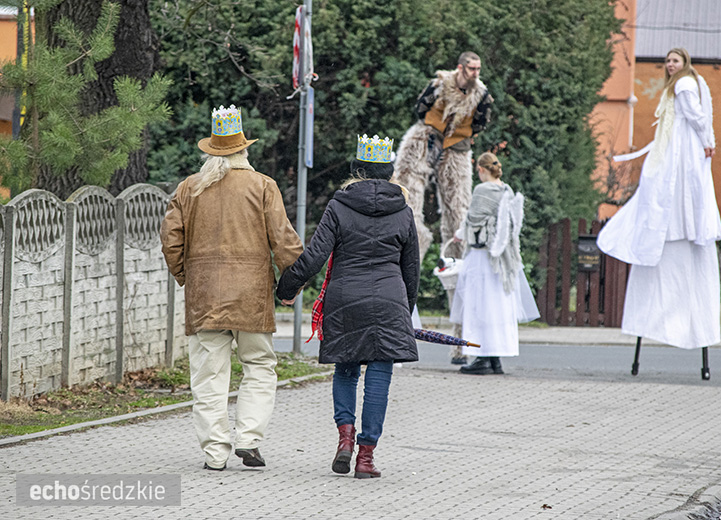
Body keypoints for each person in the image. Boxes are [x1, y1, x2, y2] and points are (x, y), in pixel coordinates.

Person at [160, 104, 303, 471]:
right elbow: (285, 241)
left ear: (211, 150)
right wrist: (291, 284)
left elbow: (171, 240)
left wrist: (186, 276)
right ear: (244, 150)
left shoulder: (189, 188)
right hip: (252, 295)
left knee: (208, 375)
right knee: (259, 365)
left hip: (205, 296)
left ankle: (215, 453)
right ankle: (249, 439)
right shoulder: (263, 186)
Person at [276, 134, 420, 479]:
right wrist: (405, 309)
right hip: (389, 300)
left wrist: (288, 287)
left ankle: (345, 439)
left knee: (345, 370)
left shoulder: (339, 206)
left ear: (357, 170)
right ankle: (366, 458)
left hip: (345, 299)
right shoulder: (403, 212)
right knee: (379, 377)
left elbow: (315, 255)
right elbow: (411, 269)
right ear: (388, 172)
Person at [597, 48, 721, 350]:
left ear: (684, 63)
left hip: (683, 145)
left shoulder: (684, 84)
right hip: (680, 142)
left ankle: (679, 214)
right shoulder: (684, 84)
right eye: (667, 61)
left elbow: (696, 116)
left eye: (675, 61)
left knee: (669, 180)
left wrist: (707, 141)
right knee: (668, 180)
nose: (670, 65)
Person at [393, 51, 493, 365]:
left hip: (457, 150)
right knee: (406, 212)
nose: (475, 73)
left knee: (458, 223)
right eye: (472, 68)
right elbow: (420, 109)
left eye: (478, 68)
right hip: (426, 140)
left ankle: (461, 340)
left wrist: (457, 136)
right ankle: (395, 325)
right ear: (461, 68)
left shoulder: (481, 95)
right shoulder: (439, 84)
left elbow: (481, 124)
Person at [449, 152, 540, 375]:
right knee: (497, 307)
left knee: (480, 306)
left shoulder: (482, 190)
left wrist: (458, 235)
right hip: (502, 260)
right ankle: (495, 359)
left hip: (482, 258)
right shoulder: (507, 190)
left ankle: (482, 357)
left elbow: (472, 221)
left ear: (481, 169)